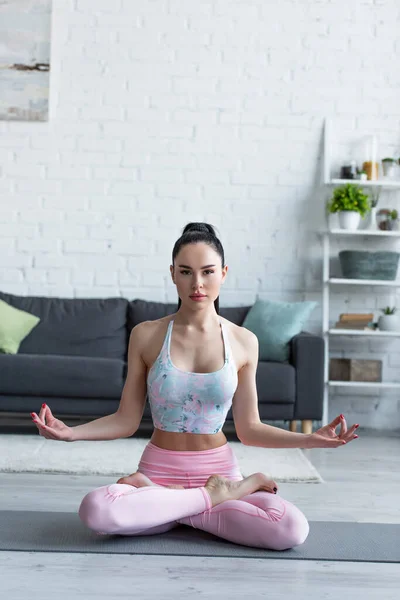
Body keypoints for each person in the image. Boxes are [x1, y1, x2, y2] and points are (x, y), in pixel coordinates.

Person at [31, 222, 359, 550]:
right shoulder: (146, 335)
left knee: (290, 528)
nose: (197, 284)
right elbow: (126, 420)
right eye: (186, 272)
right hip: (161, 470)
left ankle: (172, 508)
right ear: (173, 273)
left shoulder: (244, 341)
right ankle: (209, 499)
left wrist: (309, 440)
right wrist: (72, 433)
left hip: (217, 470)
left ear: (224, 273)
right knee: (95, 510)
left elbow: (250, 429)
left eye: (208, 272)